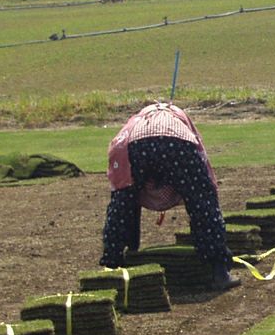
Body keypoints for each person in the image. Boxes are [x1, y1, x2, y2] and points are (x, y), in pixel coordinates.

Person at [100, 101, 240, 290]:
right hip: (177, 143)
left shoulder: (136, 121)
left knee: (123, 203)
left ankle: (114, 262)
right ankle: (219, 271)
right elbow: (204, 181)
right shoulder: (181, 121)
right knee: (201, 202)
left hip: (135, 146)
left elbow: (122, 184)